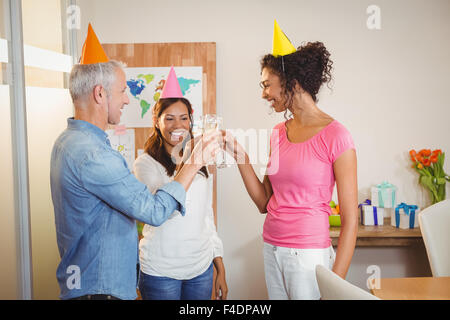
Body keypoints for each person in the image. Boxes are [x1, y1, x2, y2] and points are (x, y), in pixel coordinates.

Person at [50, 25, 221, 300]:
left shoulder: (67, 142)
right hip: (101, 291)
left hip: (94, 284)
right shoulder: (95, 155)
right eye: (121, 91)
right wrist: (194, 160)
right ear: (99, 94)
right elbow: (153, 212)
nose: (127, 99)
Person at [224, 21, 358, 300]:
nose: (263, 95)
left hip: (309, 255)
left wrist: (334, 285)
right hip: (272, 248)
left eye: (266, 85)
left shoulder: (336, 136)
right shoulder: (277, 133)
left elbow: (350, 220)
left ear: (290, 81)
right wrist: (241, 156)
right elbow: (264, 201)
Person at [134, 67, 228, 300]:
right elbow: (163, 212)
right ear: (156, 122)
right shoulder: (144, 164)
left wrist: (219, 264)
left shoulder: (202, 163)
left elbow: (206, 216)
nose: (178, 125)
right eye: (170, 118)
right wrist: (188, 161)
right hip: (160, 270)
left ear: (191, 122)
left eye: (184, 118)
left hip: (201, 268)